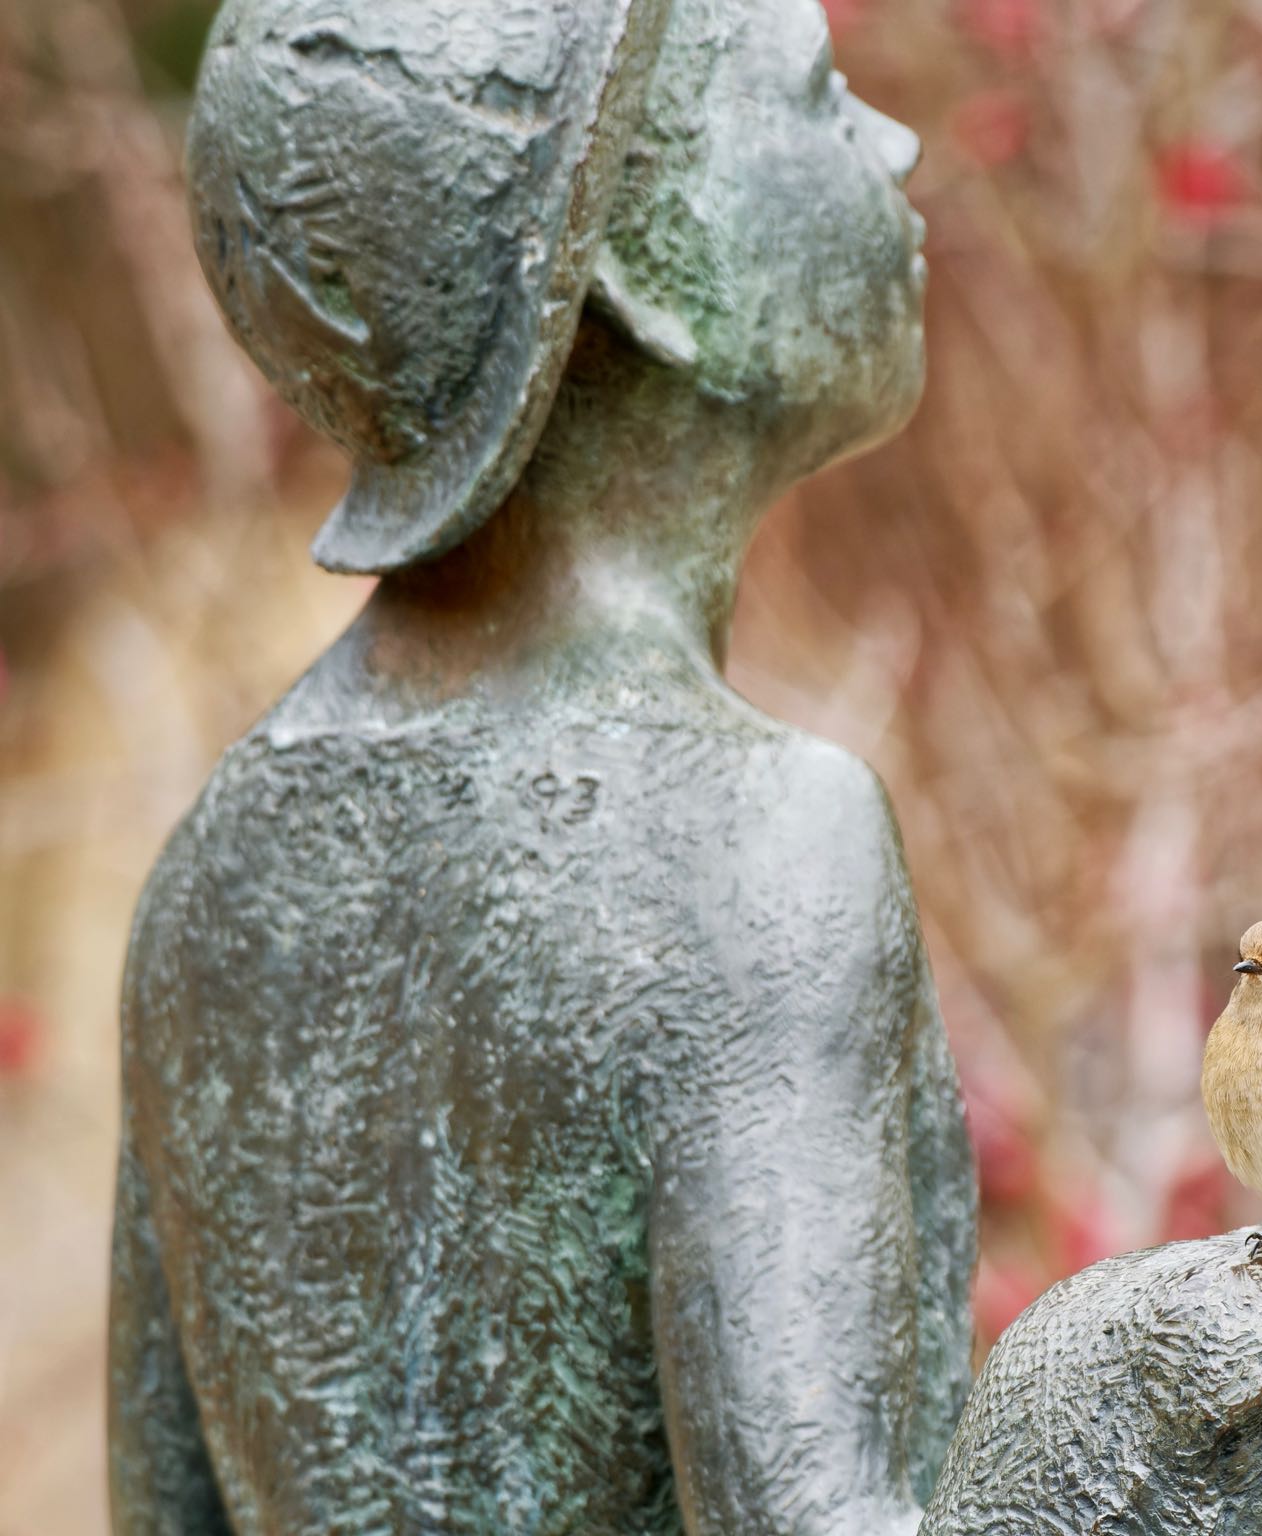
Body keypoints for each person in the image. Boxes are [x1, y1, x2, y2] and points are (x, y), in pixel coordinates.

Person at [111, 2, 973, 1531]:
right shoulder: (754, 842)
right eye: (819, 91)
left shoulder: (212, 875)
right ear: (635, 261)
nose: (891, 142)